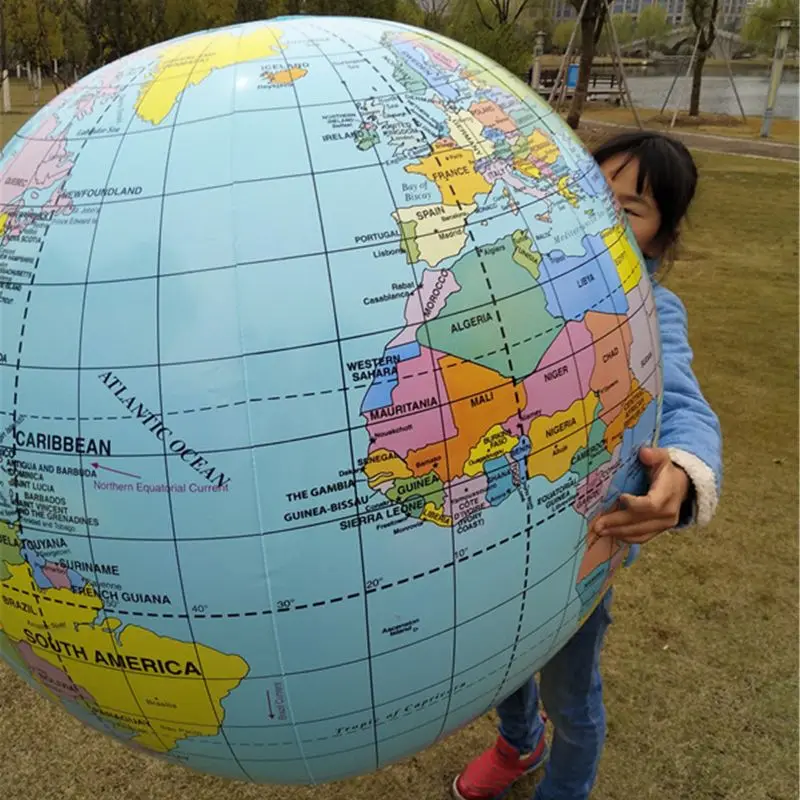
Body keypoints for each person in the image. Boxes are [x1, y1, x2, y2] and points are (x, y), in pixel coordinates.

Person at [452, 131, 723, 800]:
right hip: (501, 531)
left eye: (629, 209)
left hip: (576, 552)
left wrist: (684, 472)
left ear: (661, 238)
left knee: (569, 697)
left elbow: (684, 405)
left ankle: (565, 789)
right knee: (504, 668)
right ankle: (519, 743)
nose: (602, 214)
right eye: (589, 193)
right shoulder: (515, 282)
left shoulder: (652, 310)